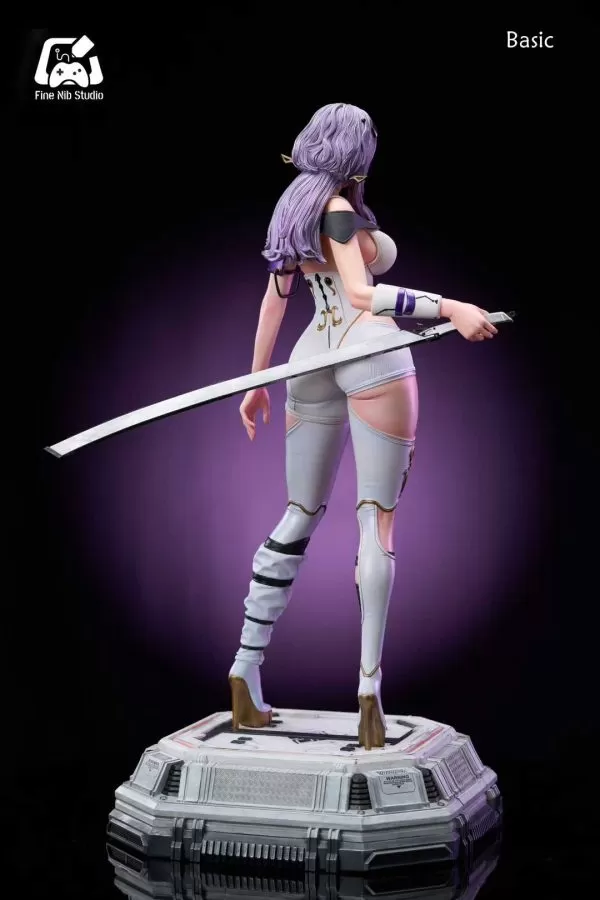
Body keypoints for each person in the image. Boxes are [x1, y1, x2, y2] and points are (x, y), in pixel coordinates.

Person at [228, 103, 497, 750]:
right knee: (376, 518)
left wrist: (258, 381)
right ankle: (369, 691)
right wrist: (450, 307)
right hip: (371, 350)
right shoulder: (336, 210)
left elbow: (276, 299)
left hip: (310, 360)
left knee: (298, 513)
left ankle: (244, 669)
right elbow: (358, 293)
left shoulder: (294, 207)